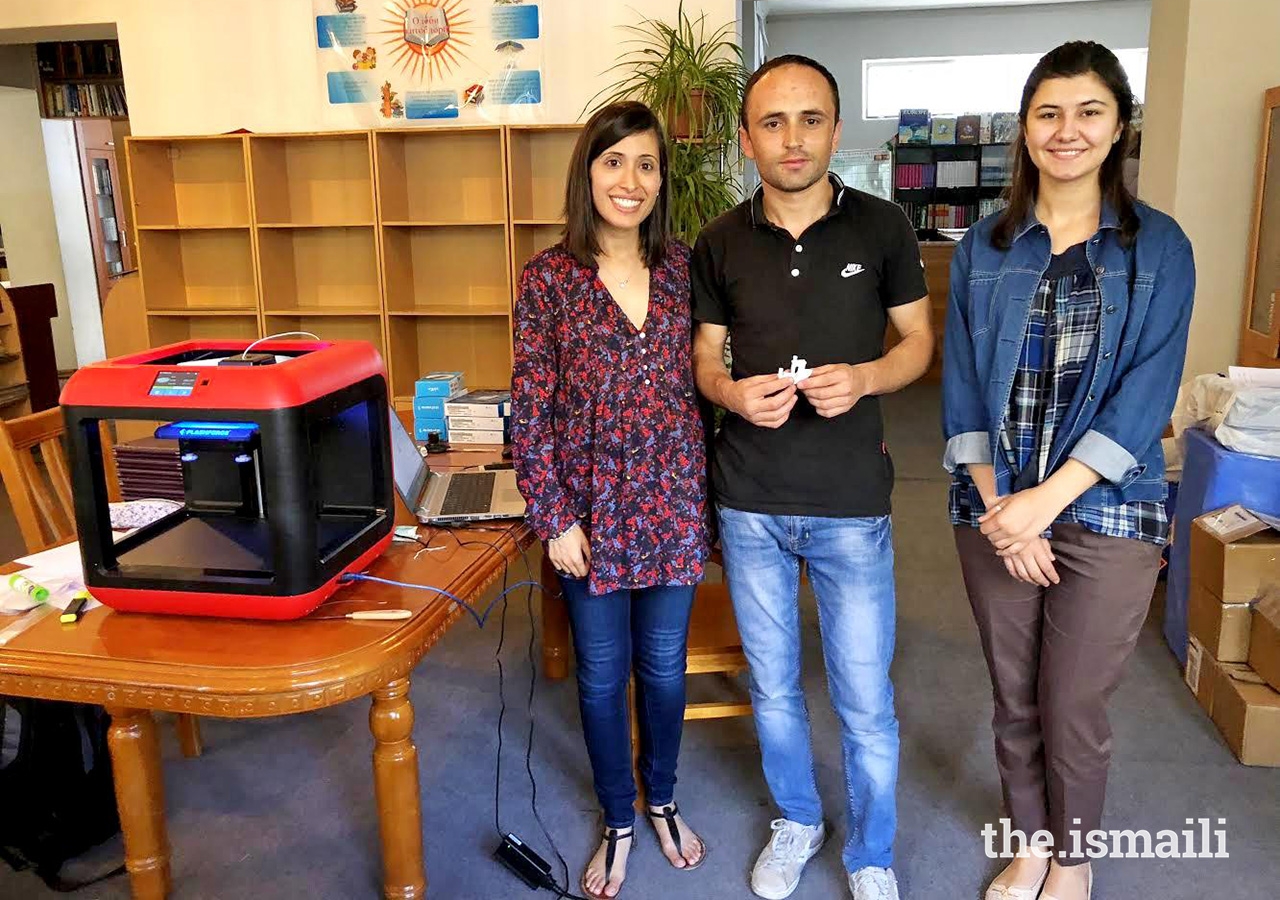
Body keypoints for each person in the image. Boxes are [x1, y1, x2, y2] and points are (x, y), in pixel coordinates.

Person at [942, 41, 1195, 900]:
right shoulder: (986, 245)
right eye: (1048, 112)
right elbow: (963, 389)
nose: (1067, 130)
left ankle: (1074, 856)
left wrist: (1040, 509)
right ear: (1024, 127)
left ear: (1118, 124)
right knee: (1013, 696)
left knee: (1073, 703)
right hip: (995, 506)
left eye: (1089, 111)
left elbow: (1145, 394)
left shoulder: (1159, 248)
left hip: (1109, 511)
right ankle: (1030, 845)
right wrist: (1001, 511)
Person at [691, 54, 933, 900]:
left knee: (866, 701)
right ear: (747, 139)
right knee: (774, 687)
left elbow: (916, 344)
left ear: (835, 127)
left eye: (810, 119)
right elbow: (705, 358)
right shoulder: (718, 241)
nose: (792, 139)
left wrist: (865, 378)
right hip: (749, 499)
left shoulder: (884, 229)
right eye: (772, 122)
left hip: (849, 502)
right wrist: (727, 392)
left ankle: (871, 854)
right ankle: (797, 819)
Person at [510, 100, 709, 900]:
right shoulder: (549, 280)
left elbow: (713, 382)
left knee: (662, 667)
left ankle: (662, 799)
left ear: (662, 178)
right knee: (600, 675)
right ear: (587, 172)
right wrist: (552, 516)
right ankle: (618, 817)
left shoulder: (685, 270)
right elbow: (530, 405)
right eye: (613, 162)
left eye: (647, 165)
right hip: (587, 517)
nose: (630, 181)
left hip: (673, 503)